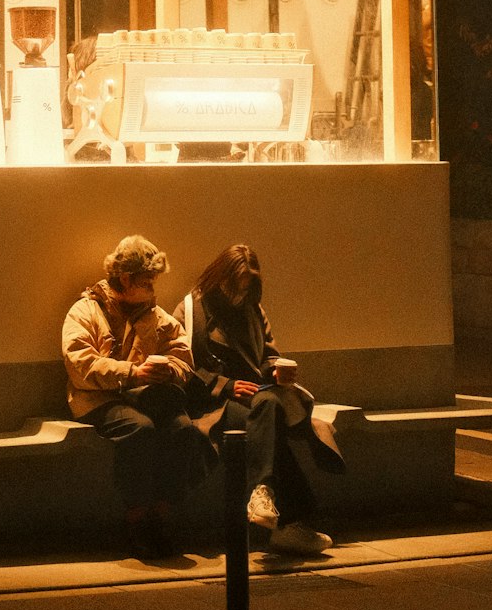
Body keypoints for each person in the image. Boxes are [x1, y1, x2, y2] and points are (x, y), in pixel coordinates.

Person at [182, 243, 344, 558]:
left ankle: (266, 497)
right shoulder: (192, 309)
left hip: (257, 397)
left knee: (268, 412)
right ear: (221, 277)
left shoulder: (254, 310)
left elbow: (269, 354)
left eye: (246, 289)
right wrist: (226, 385)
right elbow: (186, 365)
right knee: (270, 418)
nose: (238, 295)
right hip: (217, 404)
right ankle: (286, 520)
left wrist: (276, 372)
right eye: (234, 287)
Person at [61, 234, 213, 558]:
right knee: (139, 430)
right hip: (98, 399)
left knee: (183, 430)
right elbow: (81, 365)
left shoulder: (153, 315)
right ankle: (137, 521)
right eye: (148, 281)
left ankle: (162, 515)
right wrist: (133, 373)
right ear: (126, 279)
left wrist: (170, 370)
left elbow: (182, 355)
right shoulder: (85, 311)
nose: (154, 288)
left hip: (146, 397)